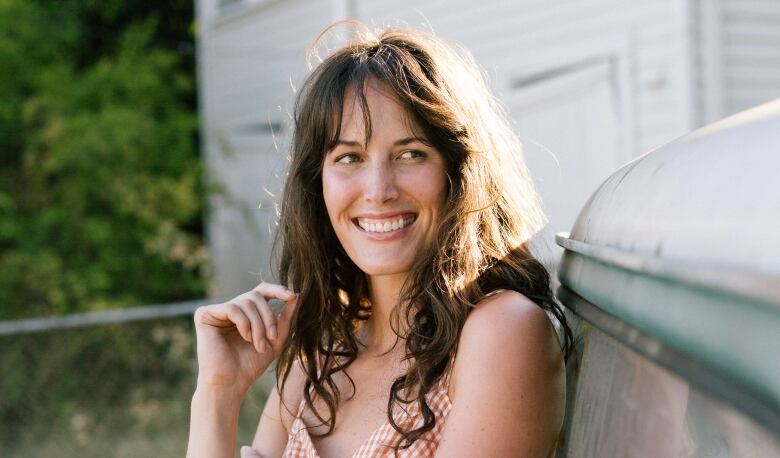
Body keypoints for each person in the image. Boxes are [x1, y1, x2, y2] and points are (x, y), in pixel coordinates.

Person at [186, 21, 572, 458]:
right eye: (349, 157)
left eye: (410, 154)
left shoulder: (500, 330)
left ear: (459, 173)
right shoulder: (319, 356)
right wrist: (218, 395)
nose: (378, 189)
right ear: (319, 184)